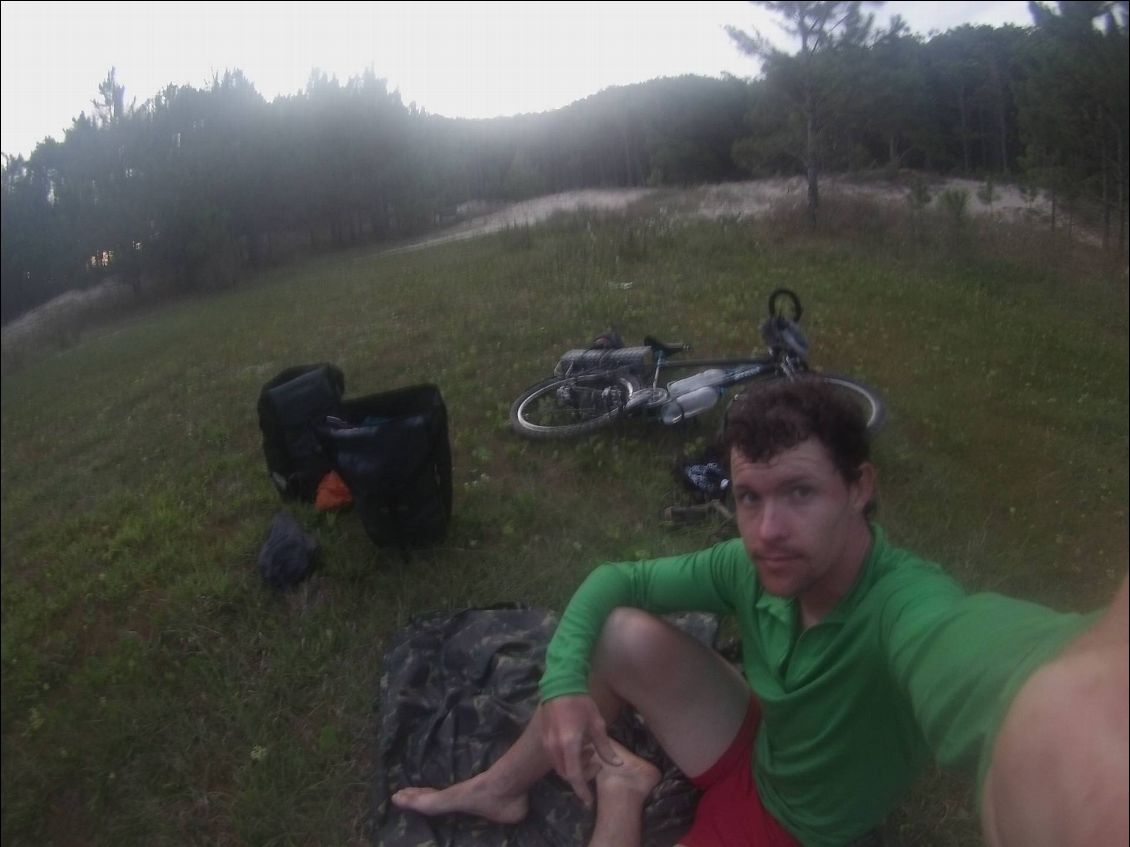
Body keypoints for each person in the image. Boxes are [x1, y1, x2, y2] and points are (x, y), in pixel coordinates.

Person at [392, 377, 1128, 847]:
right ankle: (499, 786)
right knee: (619, 633)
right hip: (756, 740)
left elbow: (982, 663)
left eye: (800, 493)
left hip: (796, 827)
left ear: (859, 487)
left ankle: (623, 789)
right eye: (750, 497)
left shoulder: (903, 606)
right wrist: (560, 683)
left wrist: (1071, 721)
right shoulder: (752, 565)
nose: (767, 529)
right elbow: (616, 577)